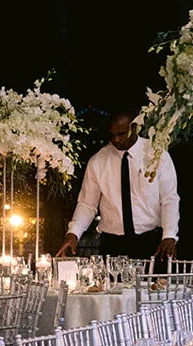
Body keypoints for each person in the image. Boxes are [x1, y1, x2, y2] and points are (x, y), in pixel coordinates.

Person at [55, 109, 179, 262]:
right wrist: (73, 233)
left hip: (151, 241)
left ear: (135, 128)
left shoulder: (157, 155)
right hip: (112, 244)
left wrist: (169, 235)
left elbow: (169, 199)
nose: (116, 140)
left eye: (121, 134)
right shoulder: (98, 161)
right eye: (112, 135)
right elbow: (87, 204)